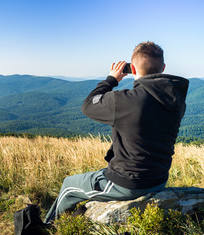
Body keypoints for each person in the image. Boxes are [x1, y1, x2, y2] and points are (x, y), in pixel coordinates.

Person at [44, 41, 189, 223]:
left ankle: (48, 229)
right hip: (159, 179)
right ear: (163, 68)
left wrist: (111, 80)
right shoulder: (177, 102)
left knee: (68, 185)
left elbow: (88, 106)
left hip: (128, 182)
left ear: (132, 69)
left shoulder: (126, 101)